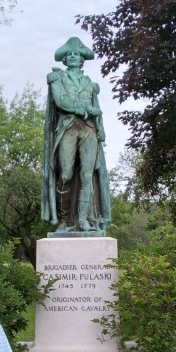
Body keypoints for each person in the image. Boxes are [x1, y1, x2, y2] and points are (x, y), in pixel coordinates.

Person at [41, 36, 111, 234]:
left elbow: (98, 109)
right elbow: (61, 102)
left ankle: (83, 220)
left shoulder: (90, 84)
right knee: (65, 174)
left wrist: (101, 128)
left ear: (82, 60)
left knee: (87, 175)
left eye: (76, 55)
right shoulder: (57, 78)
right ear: (64, 60)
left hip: (89, 130)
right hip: (68, 127)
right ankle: (63, 220)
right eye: (69, 54)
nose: (73, 56)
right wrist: (86, 108)